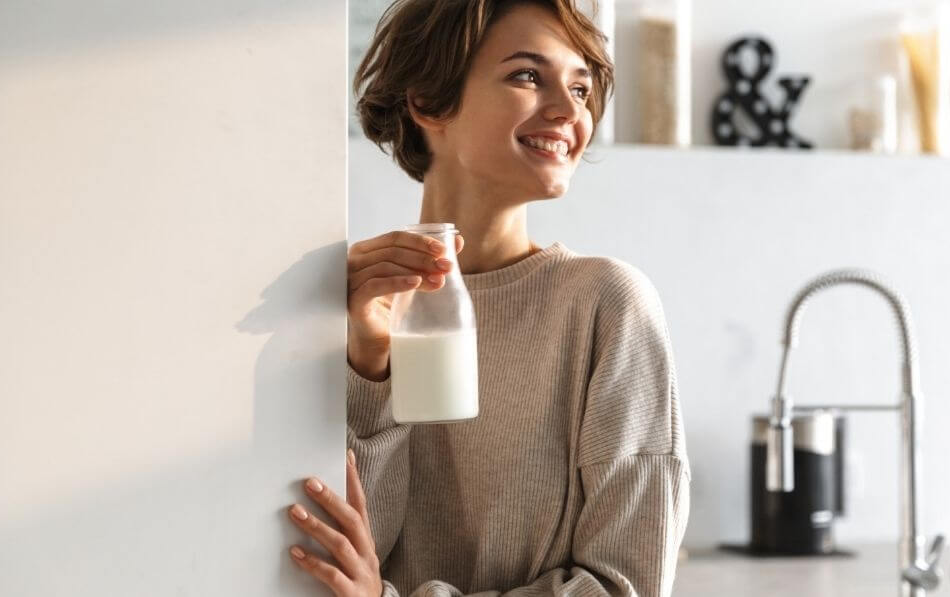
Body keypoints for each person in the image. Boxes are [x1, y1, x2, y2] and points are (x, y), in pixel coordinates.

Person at [285, 0, 690, 595]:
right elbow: (328, 551)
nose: (567, 111)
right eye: (527, 76)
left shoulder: (607, 303)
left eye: (580, 89)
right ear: (428, 100)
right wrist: (368, 371)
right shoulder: (352, 301)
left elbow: (623, 583)